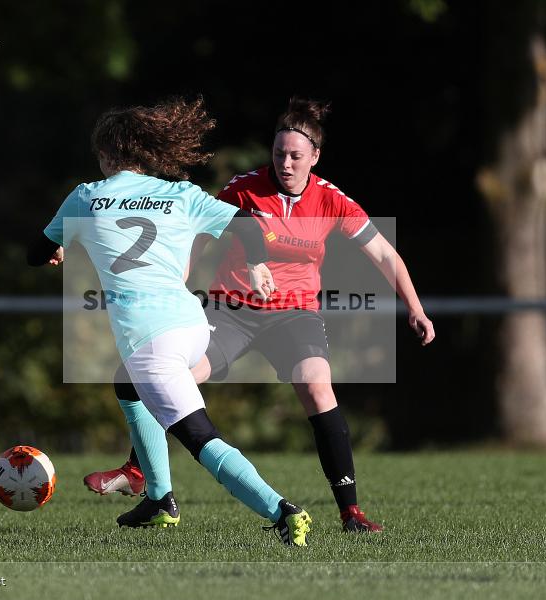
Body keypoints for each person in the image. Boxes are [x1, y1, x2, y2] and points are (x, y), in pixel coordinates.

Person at [83, 97, 436, 533]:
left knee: (316, 387)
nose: (285, 163)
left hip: (294, 315)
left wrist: (416, 309)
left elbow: (385, 254)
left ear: (315, 158)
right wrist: (175, 285)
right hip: (232, 311)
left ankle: (351, 512)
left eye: (295, 156)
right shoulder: (244, 188)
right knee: (165, 374)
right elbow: (200, 238)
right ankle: (141, 473)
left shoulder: (330, 200)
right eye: (278, 154)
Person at [27, 97, 312, 546]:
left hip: (150, 342)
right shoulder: (181, 193)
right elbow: (249, 224)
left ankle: (282, 511)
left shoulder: (85, 197)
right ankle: (159, 500)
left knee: (200, 438)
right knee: (127, 385)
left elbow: (34, 250)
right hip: (192, 325)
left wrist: (53, 250)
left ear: (104, 155)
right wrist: (257, 264)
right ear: (145, 155)